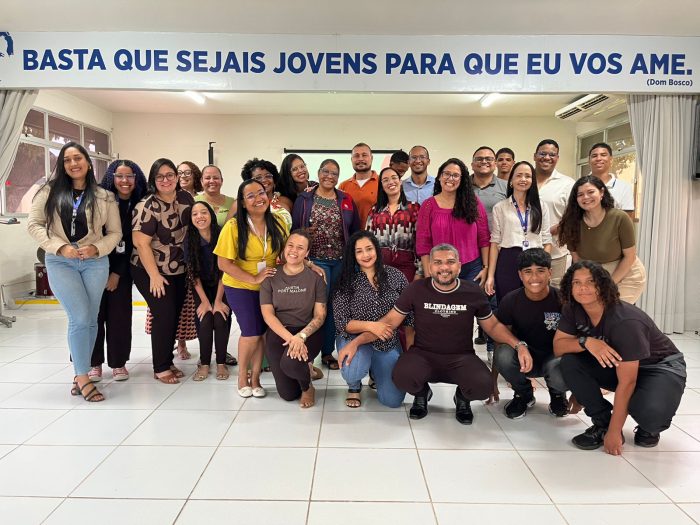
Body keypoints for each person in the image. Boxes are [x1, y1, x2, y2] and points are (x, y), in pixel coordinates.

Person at [345, 243, 522, 424]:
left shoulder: (473, 291)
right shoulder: (416, 289)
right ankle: (421, 394)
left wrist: (518, 345)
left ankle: (462, 399)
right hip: (423, 355)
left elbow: (493, 326)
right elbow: (389, 322)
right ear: (430, 267)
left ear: (459, 266)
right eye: (438, 262)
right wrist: (357, 342)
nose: (444, 267)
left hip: (461, 357)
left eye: (450, 262)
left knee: (483, 386)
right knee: (401, 375)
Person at [554, 261, 686, 453]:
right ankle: (602, 423)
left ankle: (649, 427)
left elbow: (628, 382)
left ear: (603, 285)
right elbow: (559, 347)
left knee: (650, 414)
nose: (583, 288)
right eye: (577, 282)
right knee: (570, 362)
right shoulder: (573, 308)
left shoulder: (624, 320)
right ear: (569, 286)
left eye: (591, 282)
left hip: (658, 367)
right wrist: (586, 342)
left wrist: (615, 432)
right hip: (618, 363)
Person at [28, 142, 121, 402]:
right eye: (67, 160)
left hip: (95, 262)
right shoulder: (48, 191)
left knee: (91, 319)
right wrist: (60, 247)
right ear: (62, 165)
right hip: (61, 261)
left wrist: (96, 248)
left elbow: (115, 232)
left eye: (77, 158)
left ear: (88, 163)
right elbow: (34, 224)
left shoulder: (105, 196)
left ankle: (80, 373)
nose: (73, 164)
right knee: (79, 317)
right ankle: (83, 376)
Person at [214, 179, 289, 398]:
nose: (258, 199)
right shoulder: (233, 227)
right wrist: (253, 278)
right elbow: (223, 264)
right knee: (251, 332)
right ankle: (242, 377)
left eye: (261, 193)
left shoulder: (278, 222)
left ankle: (255, 378)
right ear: (243, 203)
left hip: (268, 285)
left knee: (262, 333)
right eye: (251, 196)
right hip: (240, 285)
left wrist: (308, 265)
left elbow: (286, 253)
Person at [292, 159, 361, 370]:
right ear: (318, 172)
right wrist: (304, 234)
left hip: (340, 262)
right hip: (315, 261)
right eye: (325, 171)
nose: (329, 176)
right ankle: (306, 352)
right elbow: (294, 231)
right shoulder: (305, 199)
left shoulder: (346, 199)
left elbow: (355, 231)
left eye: (334, 173)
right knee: (314, 307)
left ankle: (327, 352)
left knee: (333, 307)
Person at [132, 158, 194, 384]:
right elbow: (141, 244)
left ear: (177, 177)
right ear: (153, 180)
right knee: (163, 314)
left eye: (170, 175)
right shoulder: (147, 205)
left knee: (173, 315)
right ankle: (160, 367)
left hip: (178, 268)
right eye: (160, 177)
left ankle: (167, 361)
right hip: (149, 268)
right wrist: (154, 276)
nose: (165, 180)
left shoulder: (186, 198)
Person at [333, 231, 411, 408]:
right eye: (359, 251)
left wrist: (410, 351)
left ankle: (376, 373)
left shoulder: (396, 276)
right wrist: (372, 326)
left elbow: (409, 316)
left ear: (376, 249)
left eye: (369, 249)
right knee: (352, 371)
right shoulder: (346, 281)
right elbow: (342, 322)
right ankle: (354, 386)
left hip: (386, 341)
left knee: (393, 401)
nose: (365, 255)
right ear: (353, 255)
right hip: (353, 338)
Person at [89, 159, 147, 383]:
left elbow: (131, 243)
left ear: (136, 178)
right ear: (111, 177)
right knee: (93, 316)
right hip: (94, 266)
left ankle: (118, 363)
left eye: (129, 176)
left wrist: (117, 273)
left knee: (119, 317)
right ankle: (93, 363)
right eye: (119, 176)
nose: (125, 180)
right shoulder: (100, 200)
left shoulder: (140, 203)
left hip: (122, 269)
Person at [494, 248, 568, 419]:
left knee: (565, 363)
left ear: (550, 273)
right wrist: (493, 380)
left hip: (554, 358)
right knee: (503, 354)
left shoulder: (563, 300)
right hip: (523, 359)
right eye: (528, 272)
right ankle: (523, 393)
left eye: (540, 271)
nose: (534, 277)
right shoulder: (510, 300)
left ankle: (557, 394)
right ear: (520, 275)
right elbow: (500, 339)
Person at [260, 230, 327, 408]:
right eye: (290, 245)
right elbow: (268, 315)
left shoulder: (316, 278)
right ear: (284, 247)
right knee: (288, 394)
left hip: (308, 332)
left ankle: (307, 387)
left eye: (300, 248)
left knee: (290, 363)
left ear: (307, 253)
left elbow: (320, 316)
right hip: (280, 332)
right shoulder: (270, 277)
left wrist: (301, 336)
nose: (293, 251)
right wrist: (292, 339)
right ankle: (306, 369)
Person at [558, 176, 646, 304]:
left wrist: (607, 285)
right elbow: (577, 260)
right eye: (580, 194)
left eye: (590, 192)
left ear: (602, 192)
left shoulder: (619, 218)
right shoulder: (571, 223)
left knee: (610, 311)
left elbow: (630, 257)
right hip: (595, 277)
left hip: (625, 275)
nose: (586, 197)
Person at [486, 161, 551, 302]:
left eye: (527, 176)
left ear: (532, 181)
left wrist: (544, 267)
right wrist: (490, 276)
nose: (523, 179)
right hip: (508, 259)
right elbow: (495, 242)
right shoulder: (500, 207)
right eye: (519, 175)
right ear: (511, 180)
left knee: (535, 303)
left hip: (536, 259)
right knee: (508, 302)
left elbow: (547, 240)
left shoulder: (541, 206)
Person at [416, 158, 490, 283]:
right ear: (439, 176)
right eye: (447, 174)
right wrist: (428, 274)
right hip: (440, 270)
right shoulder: (428, 206)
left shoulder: (473, 203)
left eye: (456, 175)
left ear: (462, 180)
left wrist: (485, 267)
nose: (450, 178)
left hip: (472, 269)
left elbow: (484, 237)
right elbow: (423, 243)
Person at [195, 164, 238, 367]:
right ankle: (204, 355)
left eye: (215, 177)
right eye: (207, 177)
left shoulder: (232, 203)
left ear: (222, 180)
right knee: (203, 314)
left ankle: (222, 352)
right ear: (201, 181)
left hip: (225, 264)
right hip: (200, 265)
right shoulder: (195, 201)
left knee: (222, 314)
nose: (211, 181)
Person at [185, 201, 231, 381]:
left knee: (220, 317)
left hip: (223, 283)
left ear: (211, 214)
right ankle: (204, 363)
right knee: (204, 320)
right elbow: (192, 274)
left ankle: (221, 363)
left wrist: (218, 301)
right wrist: (204, 302)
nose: (200, 217)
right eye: (195, 214)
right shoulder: (190, 238)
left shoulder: (222, 234)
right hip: (201, 286)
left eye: (203, 212)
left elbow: (225, 270)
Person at [366, 166, 421, 281]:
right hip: (381, 266)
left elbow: (420, 241)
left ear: (400, 181)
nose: (390, 182)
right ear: (382, 186)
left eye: (394, 178)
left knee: (406, 293)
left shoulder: (414, 208)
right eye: (385, 180)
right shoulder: (375, 210)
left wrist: (420, 271)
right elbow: (368, 242)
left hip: (407, 266)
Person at [534, 139, 575, 287]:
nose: (547, 157)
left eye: (552, 154)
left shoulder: (568, 184)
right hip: (526, 252)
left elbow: (573, 216)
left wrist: (549, 231)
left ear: (557, 158)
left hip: (556, 254)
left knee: (556, 295)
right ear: (534, 156)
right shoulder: (525, 180)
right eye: (542, 153)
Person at [241, 157, 293, 228]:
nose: (264, 180)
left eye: (268, 176)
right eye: (258, 178)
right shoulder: (243, 203)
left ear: (274, 179)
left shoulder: (286, 201)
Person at [588, 142, 635, 218]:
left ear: (611, 159)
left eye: (603, 155)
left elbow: (627, 220)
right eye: (594, 156)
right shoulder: (580, 185)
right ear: (589, 161)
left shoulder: (624, 187)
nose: (598, 158)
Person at [339, 142, 378, 227]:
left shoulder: (382, 183)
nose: (360, 159)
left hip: (375, 234)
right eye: (356, 156)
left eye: (364, 155)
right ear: (351, 159)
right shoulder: (343, 186)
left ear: (371, 158)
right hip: (351, 234)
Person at [470, 146, 508, 230]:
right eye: (479, 159)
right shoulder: (461, 186)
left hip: (497, 237)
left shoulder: (507, 187)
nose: (484, 162)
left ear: (495, 164)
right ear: (472, 165)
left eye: (489, 159)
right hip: (466, 236)